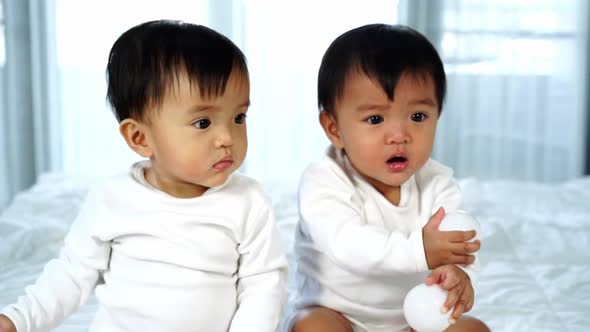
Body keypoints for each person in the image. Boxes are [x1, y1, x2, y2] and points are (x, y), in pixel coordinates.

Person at [0, 20, 287, 332]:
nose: (227, 137)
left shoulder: (248, 202)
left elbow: (263, 285)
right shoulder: (114, 198)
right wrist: (18, 319)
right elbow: (71, 274)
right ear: (140, 138)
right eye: (203, 122)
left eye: (238, 117)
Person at [284, 24, 489, 332]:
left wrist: (459, 276)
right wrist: (420, 250)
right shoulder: (324, 181)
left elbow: (460, 247)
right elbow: (346, 243)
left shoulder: (438, 184)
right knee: (311, 326)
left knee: (474, 329)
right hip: (338, 315)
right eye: (375, 119)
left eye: (418, 116)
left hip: (412, 322)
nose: (399, 135)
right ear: (334, 128)